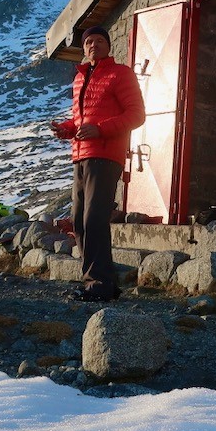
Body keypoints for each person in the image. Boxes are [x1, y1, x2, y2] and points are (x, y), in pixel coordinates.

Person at [50, 25, 145, 301]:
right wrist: (67, 129)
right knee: (79, 221)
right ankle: (100, 282)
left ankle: (99, 285)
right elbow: (82, 120)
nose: (94, 45)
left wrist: (100, 130)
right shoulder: (80, 78)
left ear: (108, 45)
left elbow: (137, 115)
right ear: (84, 48)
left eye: (99, 41)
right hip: (80, 156)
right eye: (89, 41)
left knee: (94, 220)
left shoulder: (120, 74)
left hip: (105, 155)